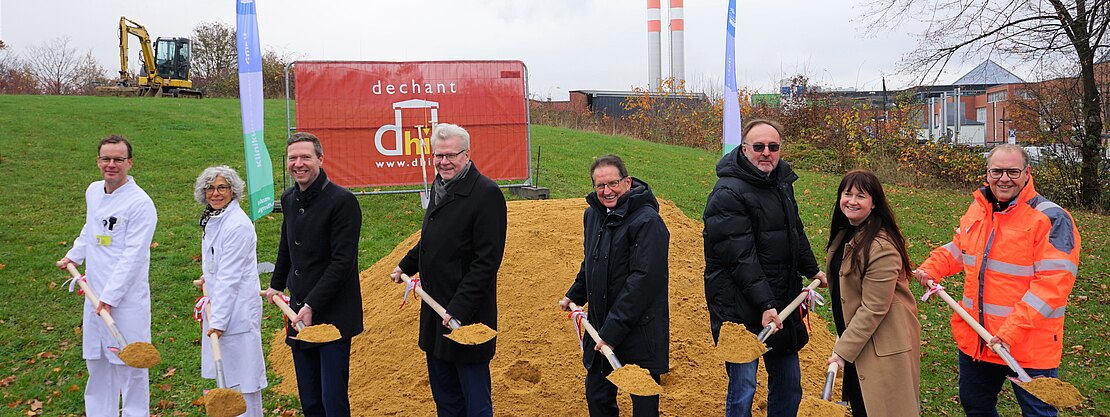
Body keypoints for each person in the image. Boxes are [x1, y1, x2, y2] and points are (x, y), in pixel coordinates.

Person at [914, 144, 1081, 417]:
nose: (1004, 179)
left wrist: (1009, 334)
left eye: (1012, 172)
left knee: (1038, 413)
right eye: (997, 171)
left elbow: (1052, 286)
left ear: (1027, 173)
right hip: (979, 339)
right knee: (976, 407)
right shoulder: (979, 209)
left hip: (1028, 344)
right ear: (987, 173)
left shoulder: (1051, 218)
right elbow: (960, 248)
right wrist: (932, 267)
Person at [702, 118, 826, 417]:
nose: (766, 153)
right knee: (743, 388)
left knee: (789, 385)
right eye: (758, 147)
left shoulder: (782, 183)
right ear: (744, 149)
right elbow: (740, 257)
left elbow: (794, 232)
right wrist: (765, 304)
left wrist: (812, 270)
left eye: (773, 146)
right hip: (738, 307)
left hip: (781, 301)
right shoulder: (727, 193)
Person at [390, 123, 506, 417]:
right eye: (438, 155)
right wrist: (406, 264)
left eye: (451, 155)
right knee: (446, 400)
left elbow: (487, 262)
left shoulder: (486, 194)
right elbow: (433, 239)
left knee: (475, 402)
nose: (444, 162)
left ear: (467, 154)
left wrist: (459, 308)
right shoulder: (440, 185)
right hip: (435, 311)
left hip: (465, 318)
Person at [558, 155, 670, 417]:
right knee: (597, 397)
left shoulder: (648, 222)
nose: (606, 191)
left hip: (639, 331)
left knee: (643, 405)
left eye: (613, 183)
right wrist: (575, 293)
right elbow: (592, 262)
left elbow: (643, 282)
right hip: (601, 327)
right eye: (600, 185)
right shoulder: (592, 215)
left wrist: (611, 331)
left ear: (627, 182)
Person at [56, 135, 158, 417]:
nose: (111, 164)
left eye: (118, 159)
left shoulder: (141, 204)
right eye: (106, 159)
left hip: (124, 301)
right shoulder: (93, 191)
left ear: (130, 163)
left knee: (130, 367)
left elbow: (134, 256)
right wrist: (74, 255)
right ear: (98, 161)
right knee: (98, 364)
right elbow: (90, 230)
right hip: (94, 296)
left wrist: (110, 298)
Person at [264, 132, 363, 417]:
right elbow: (286, 245)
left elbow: (342, 263)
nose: (298, 164)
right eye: (292, 158)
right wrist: (276, 285)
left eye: (306, 157)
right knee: (309, 399)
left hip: (333, 313)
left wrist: (312, 305)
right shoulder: (289, 198)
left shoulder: (342, 202)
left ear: (320, 159)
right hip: (298, 311)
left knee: (332, 400)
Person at [824, 170, 920, 416]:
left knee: (878, 409)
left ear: (874, 202)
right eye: (847, 194)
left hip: (882, 346)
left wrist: (842, 352)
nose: (852, 201)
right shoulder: (847, 232)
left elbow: (874, 307)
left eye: (861, 196)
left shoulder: (881, 246)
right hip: (860, 341)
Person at [194, 166, 268, 417]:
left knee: (244, 379)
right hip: (222, 306)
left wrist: (218, 321)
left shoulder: (237, 225)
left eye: (222, 188)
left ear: (233, 191)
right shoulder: (213, 219)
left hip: (236, 311)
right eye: (210, 188)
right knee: (228, 375)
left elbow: (230, 277)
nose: (215, 193)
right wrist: (208, 277)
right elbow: (219, 264)